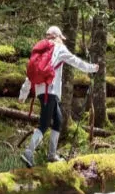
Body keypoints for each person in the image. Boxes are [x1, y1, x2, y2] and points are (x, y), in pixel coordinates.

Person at [18, 26, 98, 167]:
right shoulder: (58, 48)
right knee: (44, 123)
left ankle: (51, 155)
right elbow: (75, 61)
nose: (63, 40)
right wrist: (91, 68)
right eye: (61, 37)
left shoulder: (41, 51)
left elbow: (30, 75)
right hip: (51, 91)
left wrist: (23, 94)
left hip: (43, 91)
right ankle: (28, 152)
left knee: (58, 120)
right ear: (57, 36)